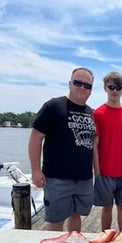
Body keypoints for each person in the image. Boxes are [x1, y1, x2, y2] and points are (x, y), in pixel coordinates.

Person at [28, 67, 96, 231]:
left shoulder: (91, 113)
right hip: (57, 178)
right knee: (55, 220)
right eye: (77, 83)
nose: (82, 88)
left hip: (84, 178)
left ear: (91, 90)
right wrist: (35, 170)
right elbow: (36, 138)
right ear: (69, 84)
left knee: (76, 215)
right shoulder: (53, 106)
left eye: (87, 85)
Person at [93, 71, 122, 231]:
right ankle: (106, 238)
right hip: (105, 172)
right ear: (105, 88)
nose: (114, 91)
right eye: (111, 87)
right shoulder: (97, 113)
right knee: (106, 208)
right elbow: (95, 144)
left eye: (118, 87)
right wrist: (97, 171)